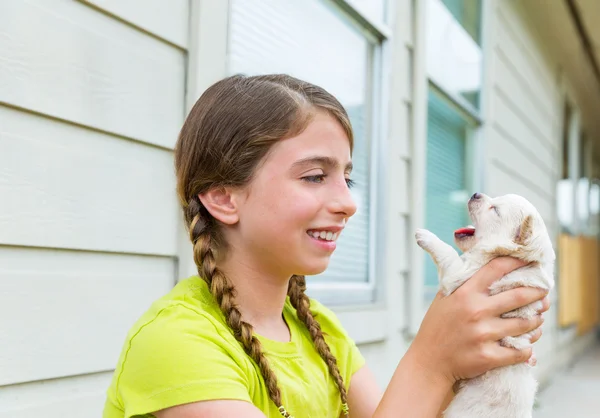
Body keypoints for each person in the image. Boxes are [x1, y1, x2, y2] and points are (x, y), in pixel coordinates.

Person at [102, 74, 549, 418]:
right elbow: (420, 384)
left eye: (346, 177)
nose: (348, 203)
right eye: (315, 176)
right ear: (223, 196)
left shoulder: (320, 331)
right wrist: (433, 361)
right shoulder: (176, 344)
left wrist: (470, 346)